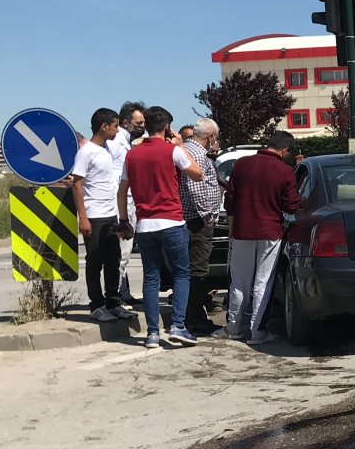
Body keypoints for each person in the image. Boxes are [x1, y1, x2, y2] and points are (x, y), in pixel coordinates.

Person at [117, 106, 204, 348]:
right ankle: (178, 326)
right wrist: (181, 145)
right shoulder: (172, 150)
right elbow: (197, 173)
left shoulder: (132, 155)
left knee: (151, 277)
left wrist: (124, 219)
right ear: (167, 127)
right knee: (181, 274)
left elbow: (122, 191)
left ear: (146, 125)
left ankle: (152, 333)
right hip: (172, 220)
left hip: (145, 223)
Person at [216, 131, 300, 345]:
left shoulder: (242, 164)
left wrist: (232, 226)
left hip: (242, 230)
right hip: (270, 232)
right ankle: (257, 332)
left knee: (238, 281)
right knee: (264, 282)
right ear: (285, 150)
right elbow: (291, 205)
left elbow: (230, 198)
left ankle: (233, 327)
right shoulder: (285, 171)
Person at [73, 108, 137, 323]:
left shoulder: (107, 150)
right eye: (115, 125)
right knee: (95, 261)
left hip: (111, 215)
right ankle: (97, 305)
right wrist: (83, 217)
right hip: (94, 215)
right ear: (104, 126)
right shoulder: (86, 152)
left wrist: (121, 217)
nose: (117, 130)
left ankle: (113, 302)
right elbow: (77, 185)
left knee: (113, 260)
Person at [180, 118, 223, 334]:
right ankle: (194, 318)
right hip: (197, 221)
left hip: (192, 219)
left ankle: (192, 314)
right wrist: (209, 216)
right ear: (211, 136)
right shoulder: (196, 154)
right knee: (197, 270)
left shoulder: (189, 149)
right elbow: (196, 188)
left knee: (192, 269)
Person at [108, 101, 145, 305]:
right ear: (125, 122)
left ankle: (123, 292)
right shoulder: (116, 142)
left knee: (125, 253)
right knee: (121, 253)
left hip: (127, 203)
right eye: (138, 123)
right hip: (119, 204)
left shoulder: (127, 142)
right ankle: (116, 296)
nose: (142, 126)